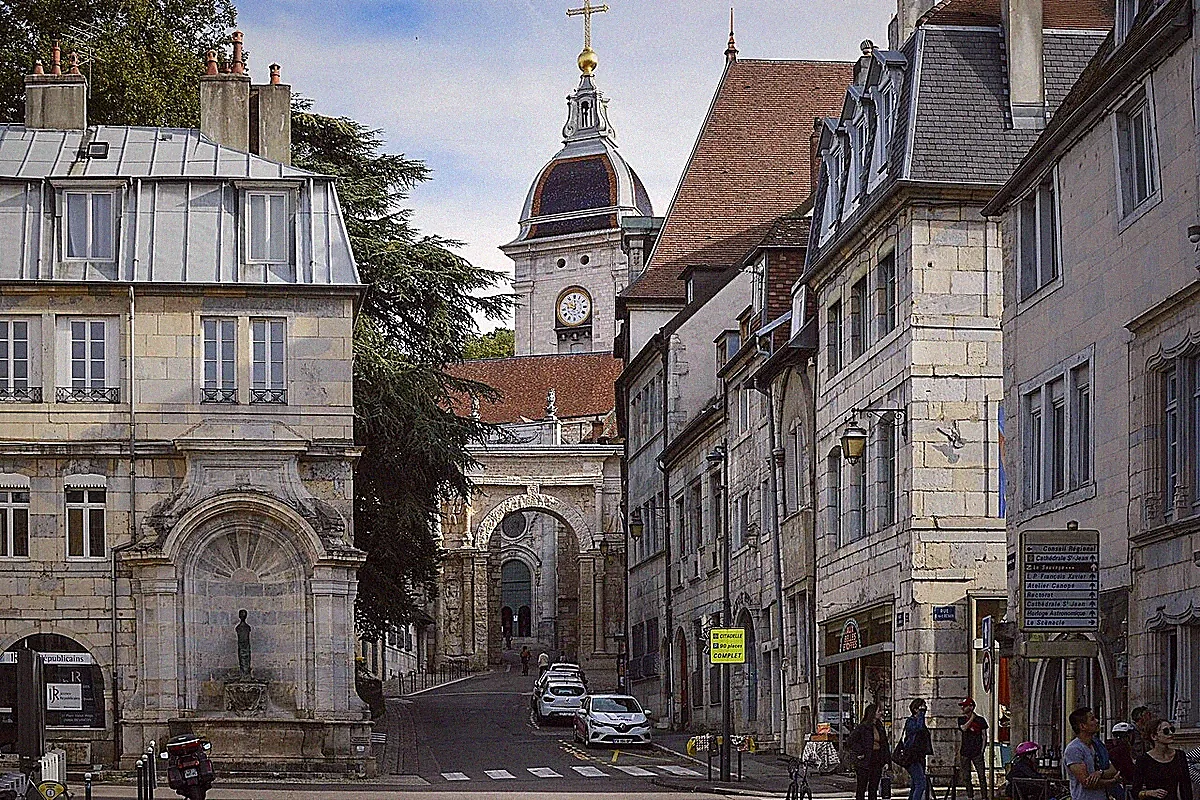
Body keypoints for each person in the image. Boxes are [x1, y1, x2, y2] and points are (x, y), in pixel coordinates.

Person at [1065, 706, 1121, 800]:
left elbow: (1112, 769)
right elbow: (1087, 782)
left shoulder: (1098, 745)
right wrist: (1112, 781)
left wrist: (1100, 773)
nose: (1097, 721)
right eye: (1092, 719)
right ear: (1082, 726)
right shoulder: (1074, 749)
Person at [1132, 718, 1193, 800]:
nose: (1171, 733)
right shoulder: (1143, 760)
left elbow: (1186, 787)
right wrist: (1149, 793)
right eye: (1166, 731)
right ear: (1154, 736)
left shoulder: (1179, 756)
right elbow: (1135, 791)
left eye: (1172, 729)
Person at [848, 703, 890, 800]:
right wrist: (860, 752)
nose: (881, 713)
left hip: (877, 759)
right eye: (878, 711)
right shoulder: (862, 727)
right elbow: (851, 741)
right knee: (862, 787)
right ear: (872, 713)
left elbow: (884, 745)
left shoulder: (880, 727)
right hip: (865, 760)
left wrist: (886, 761)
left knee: (873, 788)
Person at [901, 699, 934, 800]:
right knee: (921, 783)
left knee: (915, 784)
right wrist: (921, 716)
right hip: (912, 756)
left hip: (920, 756)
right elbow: (918, 729)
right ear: (915, 709)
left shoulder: (920, 721)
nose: (924, 710)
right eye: (921, 707)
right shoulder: (911, 721)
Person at [958, 697, 990, 800]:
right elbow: (963, 728)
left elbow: (984, 735)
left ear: (971, 707)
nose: (962, 708)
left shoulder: (980, 720)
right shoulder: (961, 719)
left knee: (981, 776)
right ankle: (970, 796)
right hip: (965, 752)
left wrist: (983, 749)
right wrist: (971, 718)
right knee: (966, 777)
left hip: (977, 752)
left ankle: (984, 797)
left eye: (965, 706)